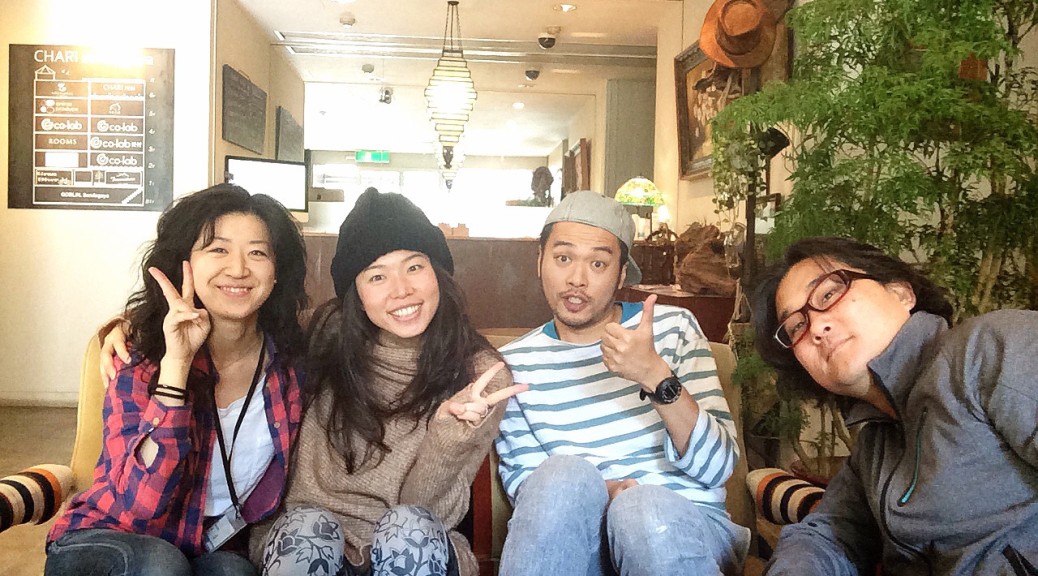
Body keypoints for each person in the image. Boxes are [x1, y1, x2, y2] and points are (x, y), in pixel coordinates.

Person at [257, 188, 525, 576]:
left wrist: (447, 437)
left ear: (438, 272)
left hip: (418, 544)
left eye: (414, 267)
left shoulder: (479, 377)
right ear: (356, 293)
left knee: (407, 529)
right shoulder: (324, 336)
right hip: (312, 539)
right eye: (378, 276)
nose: (401, 290)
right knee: (307, 531)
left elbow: (427, 513)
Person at [46, 184, 308, 576]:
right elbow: (141, 506)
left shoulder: (290, 368)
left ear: (277, 271)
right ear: (184, 262)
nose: (238, 269)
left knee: (233, 572)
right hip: (107, 536)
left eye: (257, 252)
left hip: (202, 546)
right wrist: (177, 366)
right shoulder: (141, 360)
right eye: (218, 249)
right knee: (160, 564)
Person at [495, 190, 750, 576]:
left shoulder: (673, 328)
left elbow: (718, 468)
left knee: (642, 508)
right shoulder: (513, 364)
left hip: (684, 531)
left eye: (598, 263)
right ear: (540, 261)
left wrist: (654, 375)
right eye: (563, 258)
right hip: (581, 543)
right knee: (562, 475)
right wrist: (606, 494)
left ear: (622, 274)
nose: (577, 279)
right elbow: (531, 493)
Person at [750, 236, 1038, 575]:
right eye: (796, 326)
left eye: (828, 294)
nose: (815, 327)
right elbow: (829, 535)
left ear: (901, 293)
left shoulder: (989, 349)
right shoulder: (874, 448)